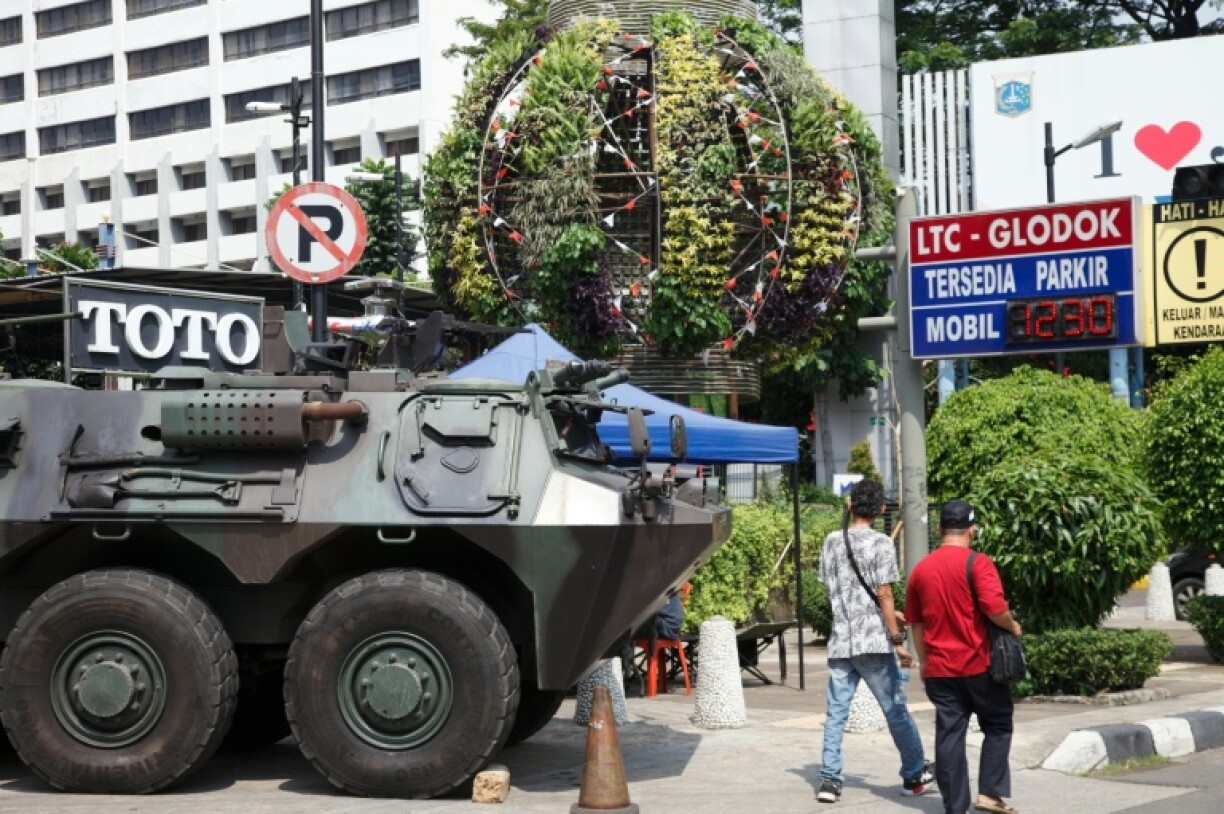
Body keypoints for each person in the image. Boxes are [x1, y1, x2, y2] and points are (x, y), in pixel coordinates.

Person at [816, 479, 933, 804]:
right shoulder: (881, 543)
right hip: (873, 642)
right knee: (895, 708)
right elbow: (883, 591)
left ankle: (829, 780)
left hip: (841, 639)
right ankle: (913, 773)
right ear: (882, 509)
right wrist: (896, 638)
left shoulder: (831, 541)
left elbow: (835, 588)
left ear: (850, 505)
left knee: (836, 711)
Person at [906, 499, 1022, 814]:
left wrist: (926, 661)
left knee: (949, 736)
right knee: (998, 724)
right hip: (979, 666)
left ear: (940, 528)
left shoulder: (921, 569)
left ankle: (955, 807)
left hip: (940, 670)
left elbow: (916, 623)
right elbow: (995, 608)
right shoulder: (978, 563)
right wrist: (1012, 625)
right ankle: (989, 793)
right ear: (972, 531)